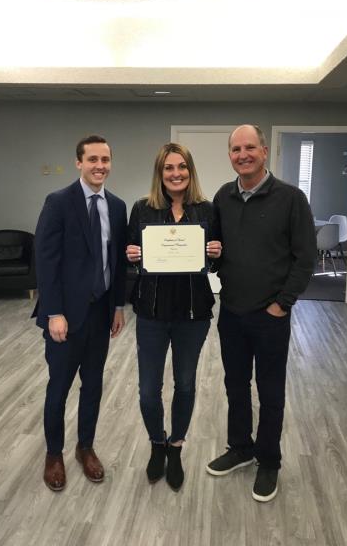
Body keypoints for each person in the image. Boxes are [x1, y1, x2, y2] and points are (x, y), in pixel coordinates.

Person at [206, 124, 316, 503]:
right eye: (236, 149)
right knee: (235, 385)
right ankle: (240, 447)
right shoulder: (222, 197)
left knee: (270, 392)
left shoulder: (291, 198)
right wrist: (210, 256)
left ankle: (268, 460)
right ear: (230, 155)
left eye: (250, 147)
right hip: (231, 312)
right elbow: (216, 251)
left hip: (271, 316)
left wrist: (282, 304)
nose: (243, 155)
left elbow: (306, 258)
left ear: (264, 151)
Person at [33, 135, 127, 491]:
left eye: (105, 159)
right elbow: (46, 260)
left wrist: (118, 305)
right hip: (65, 317)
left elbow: (116, 263)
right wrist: (54, 311)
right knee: (58, 388)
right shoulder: (58, 202)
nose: (100, 166)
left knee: (93, 386)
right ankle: (53, 454)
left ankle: (85, 447)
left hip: (101, 314)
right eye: (92, 159)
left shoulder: (116, 206)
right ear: (79, 162)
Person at [126, 143, 221, 491]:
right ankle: (157, 443)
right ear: (160, 173)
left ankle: (176, 447)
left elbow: (216, 263)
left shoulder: (207, 210)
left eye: (182, 167)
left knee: (185, 385)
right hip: (151, 314)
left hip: (192, 316)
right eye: (169, 168)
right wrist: (131, 255)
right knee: (148, 391)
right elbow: (130, 258)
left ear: (190, 171)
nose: (176, 173)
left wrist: (216, 252)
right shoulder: (142, 209)